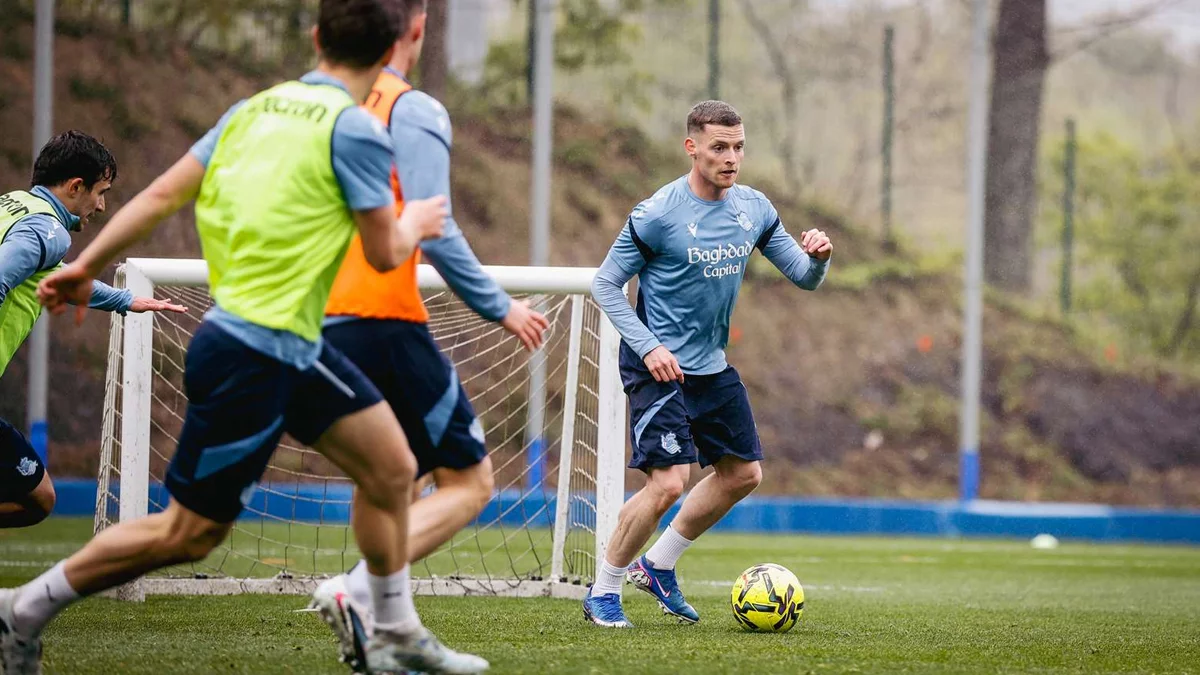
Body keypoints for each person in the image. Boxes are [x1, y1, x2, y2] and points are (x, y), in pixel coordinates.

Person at [0, 1, 487, 673]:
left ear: (315, 37)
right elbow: (384, 253)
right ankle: (24, 607)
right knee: (188, 533)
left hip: (290, 348)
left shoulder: (250, 111)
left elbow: (159, 196)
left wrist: (86, 267)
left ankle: (393, 627)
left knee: (394, 468)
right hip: (255, 353)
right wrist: (418, 222)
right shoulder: (357, 128)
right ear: (400, 45)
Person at [309, 1, 550, 667]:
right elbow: (433, 227)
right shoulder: (410, 108)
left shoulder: (310, 105)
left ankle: (387, 634)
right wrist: (501, 307)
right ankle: (358, 591)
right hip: (383, 318)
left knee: (389, 479)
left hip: (313, 319)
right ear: (416, 27)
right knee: (470, 482)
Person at [584, 101, 833, 628]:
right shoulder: (657, 215)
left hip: (710, 365)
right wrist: (649, 347)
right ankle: (603, 591)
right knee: (668, 483)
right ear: (691, 147)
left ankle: (657, 565)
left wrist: (819, 258)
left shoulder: (754, 209)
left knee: (743, 474)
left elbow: (804, 277)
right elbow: (605, 284)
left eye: (738, 147)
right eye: (719, 147)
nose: (731, 158)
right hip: (656, 366)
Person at [0, 131, 185, 529]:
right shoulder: (49, 231)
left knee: (39, 496)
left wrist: (124, 300)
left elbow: (53, 276)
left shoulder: (12, 206)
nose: (101, 206)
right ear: (75, 187)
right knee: (36, 499)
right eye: (100, 193)